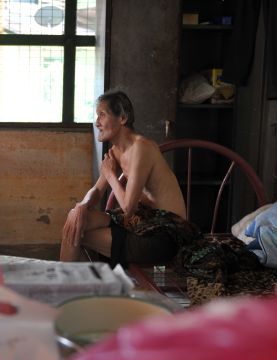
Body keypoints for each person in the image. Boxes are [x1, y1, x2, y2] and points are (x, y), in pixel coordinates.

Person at [60, 90, 199, 266]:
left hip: (165, 233)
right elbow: (96, 191)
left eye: (102, 115)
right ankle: (78, 280)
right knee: (75, 218)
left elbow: (128, 208)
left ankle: (76, 281)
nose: (97, 122)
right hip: (141, 223)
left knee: (74, 232)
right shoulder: (116, 152)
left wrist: (110, 174)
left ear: (123, 118)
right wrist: (82, 206)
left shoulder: (142, 148)